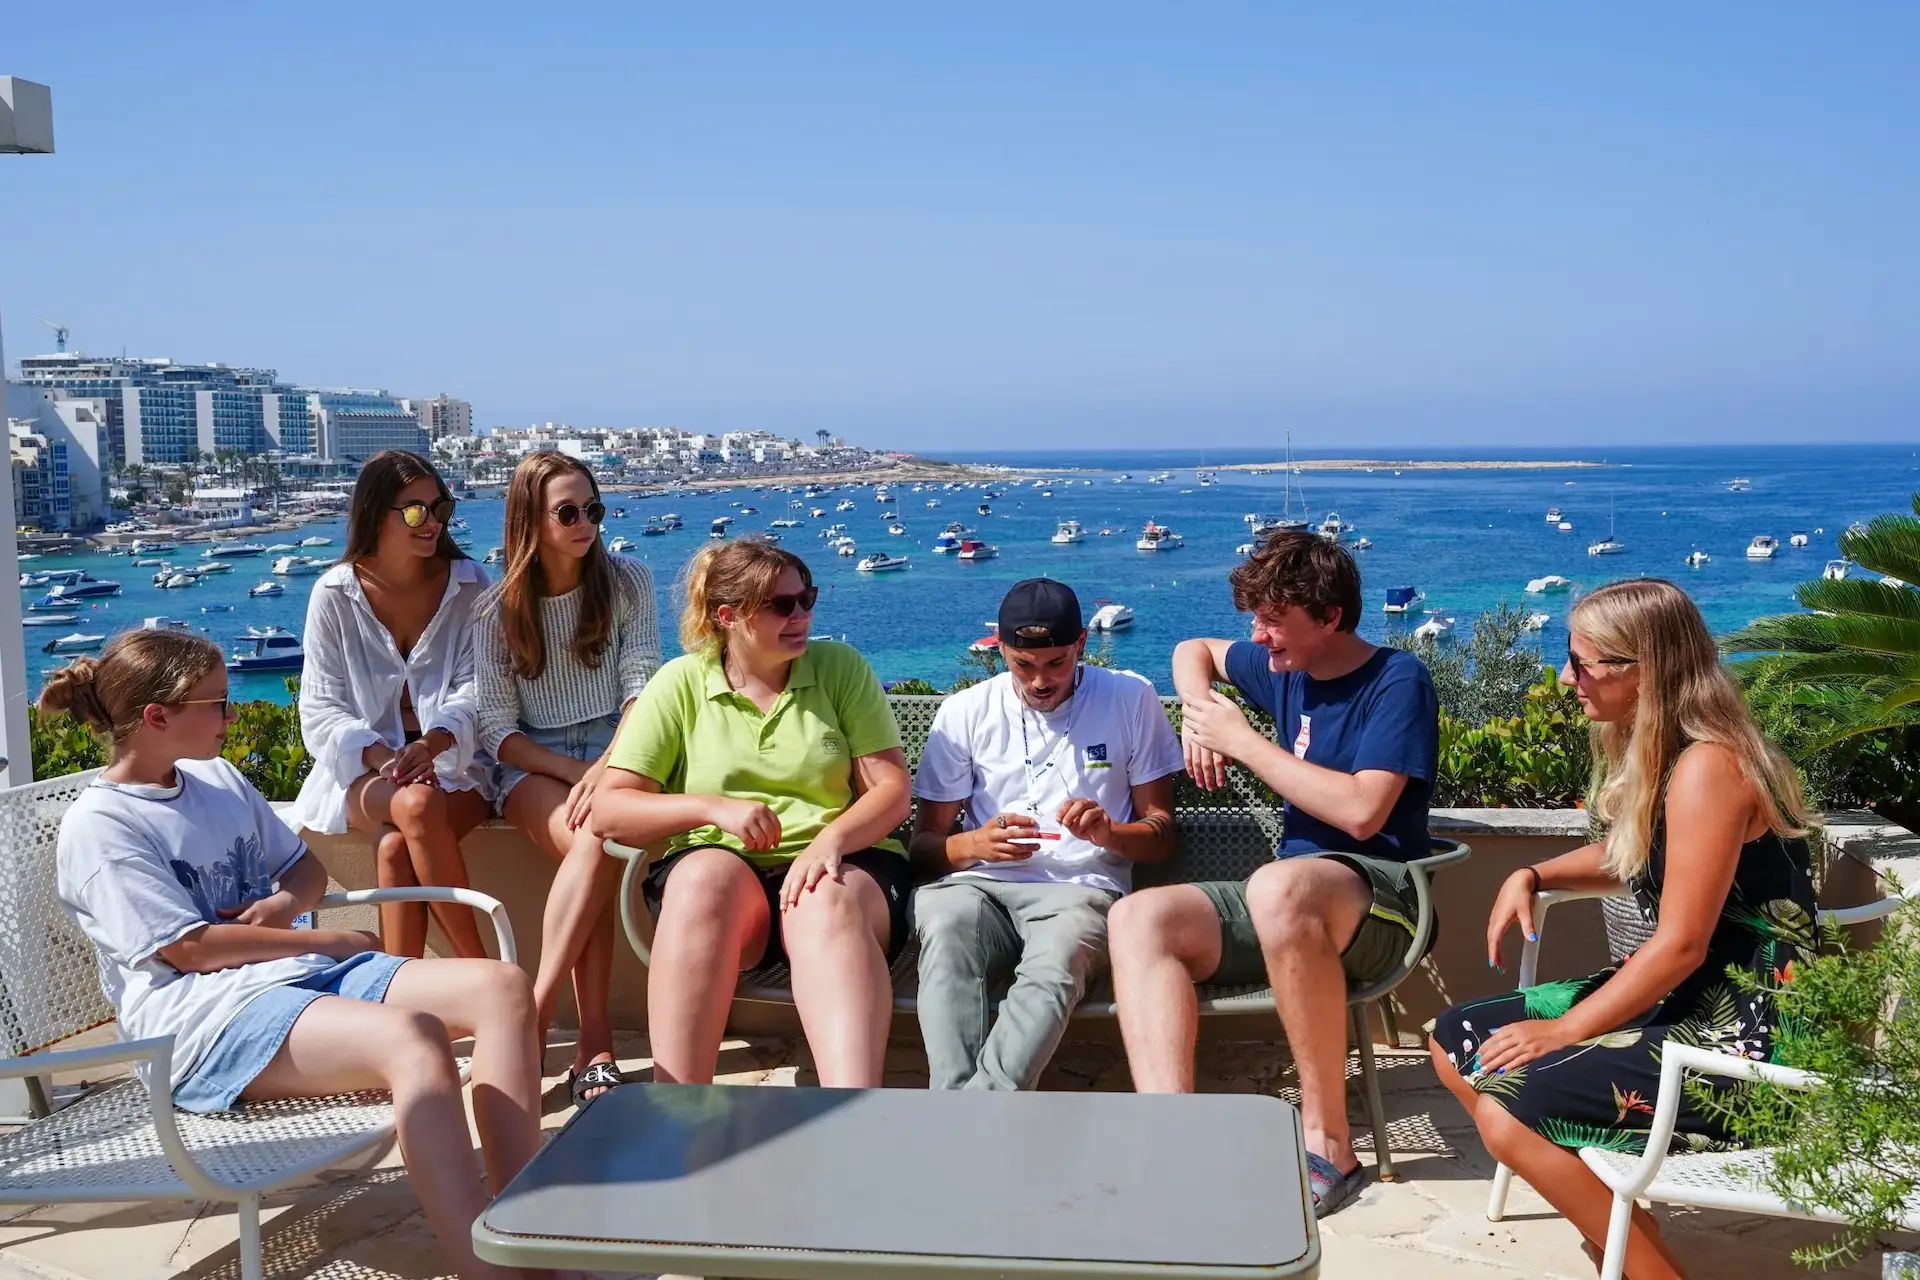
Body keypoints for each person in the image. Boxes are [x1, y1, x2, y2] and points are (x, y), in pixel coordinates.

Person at [43, 631, 544, 1280]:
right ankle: (491, 1270)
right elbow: (190, 951)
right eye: (217, 704)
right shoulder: (103, 826)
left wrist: (282, 909)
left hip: (295, 984)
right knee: (413, 1040)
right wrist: (327, 937)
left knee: (502, 988)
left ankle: (525, 1227)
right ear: (157, 717)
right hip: (202, 1026)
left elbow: (303, 871)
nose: (232, 716)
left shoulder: (216, 779)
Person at [1428, 579, 1818, 1280]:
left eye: (1583, 663)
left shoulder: (1708, 767)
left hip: (1745, 1029)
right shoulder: (1672, 754)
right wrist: (1537, 874)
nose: (1565, 678)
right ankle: (1621, 1224)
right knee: (1455, 1038)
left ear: (1647, 671)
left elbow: (1681, 945)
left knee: (1512, 1105)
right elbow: (1638, 855)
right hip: (1688, 997)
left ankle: (1648, 1268)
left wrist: (1562, 1030)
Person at [1109, 530, 1438, 1218]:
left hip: (1382, 905)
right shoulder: (1282, 666)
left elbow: (1361, 812)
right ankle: (1172, 1141)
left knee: (1278, 886)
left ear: (1329, 619)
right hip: (1287, 902)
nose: (1257, 637)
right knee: (1139, 918)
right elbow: (1190, 650)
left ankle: (1330, 1145)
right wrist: (1200, 719)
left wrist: (1243, 742)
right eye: (1254, 621)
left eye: (1273, 622)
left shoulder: (1397, 680)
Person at [592, 539, 913, 1086]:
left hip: (845, 863)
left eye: (806, 599)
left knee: (823, 897)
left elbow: (891, 789)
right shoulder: (680, 684)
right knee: (700, 882)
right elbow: (610, 810)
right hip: (728, 880)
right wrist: (712, 809)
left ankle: (855, 1113)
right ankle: (680, 1112)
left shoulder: (839, 669)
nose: (802, 616)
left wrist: (829, 841)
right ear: (729, 616)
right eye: (782, 605)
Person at [909, 578, 1182, 1090]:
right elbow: (923, 849)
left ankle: (966, 1112)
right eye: (1023, 664)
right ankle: (968, 1109)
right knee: (945, 927)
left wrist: (1110, 833)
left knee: (1058, 957)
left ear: (1081, 644)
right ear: (1002, 651)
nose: (1040, 680)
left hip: (1080, 890)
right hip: (977, 887)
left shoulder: (1130, 698)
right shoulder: (965, 711)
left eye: (1056, 663)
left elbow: (1163, 835)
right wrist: (972, 845)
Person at [476, 453, 660, 1105]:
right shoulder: (495, 610)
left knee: (594, 843)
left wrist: (609, 764)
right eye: (567, 512)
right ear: (531, 519)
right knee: (594, 843)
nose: (585, 523)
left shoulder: (628, 581)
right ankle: (592, 1045)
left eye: (593, 509)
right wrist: (576, 771)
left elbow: (644, 686)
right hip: (536, 763)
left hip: (622, 745)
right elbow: (498, 730)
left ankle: (537, 1017)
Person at [287, 450, 494, 960]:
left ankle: (400, 993)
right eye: (415, 510)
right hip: (366, 773)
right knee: (416, 803)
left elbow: (481, 687)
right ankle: (482, 971)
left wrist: (433, 743)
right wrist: (387, 758)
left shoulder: (469, 584)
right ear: (375, 512)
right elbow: (320, 709)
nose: (431, 523)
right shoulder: (334, 594)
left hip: (460, 762)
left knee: (395, 846)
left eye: (439, 508)